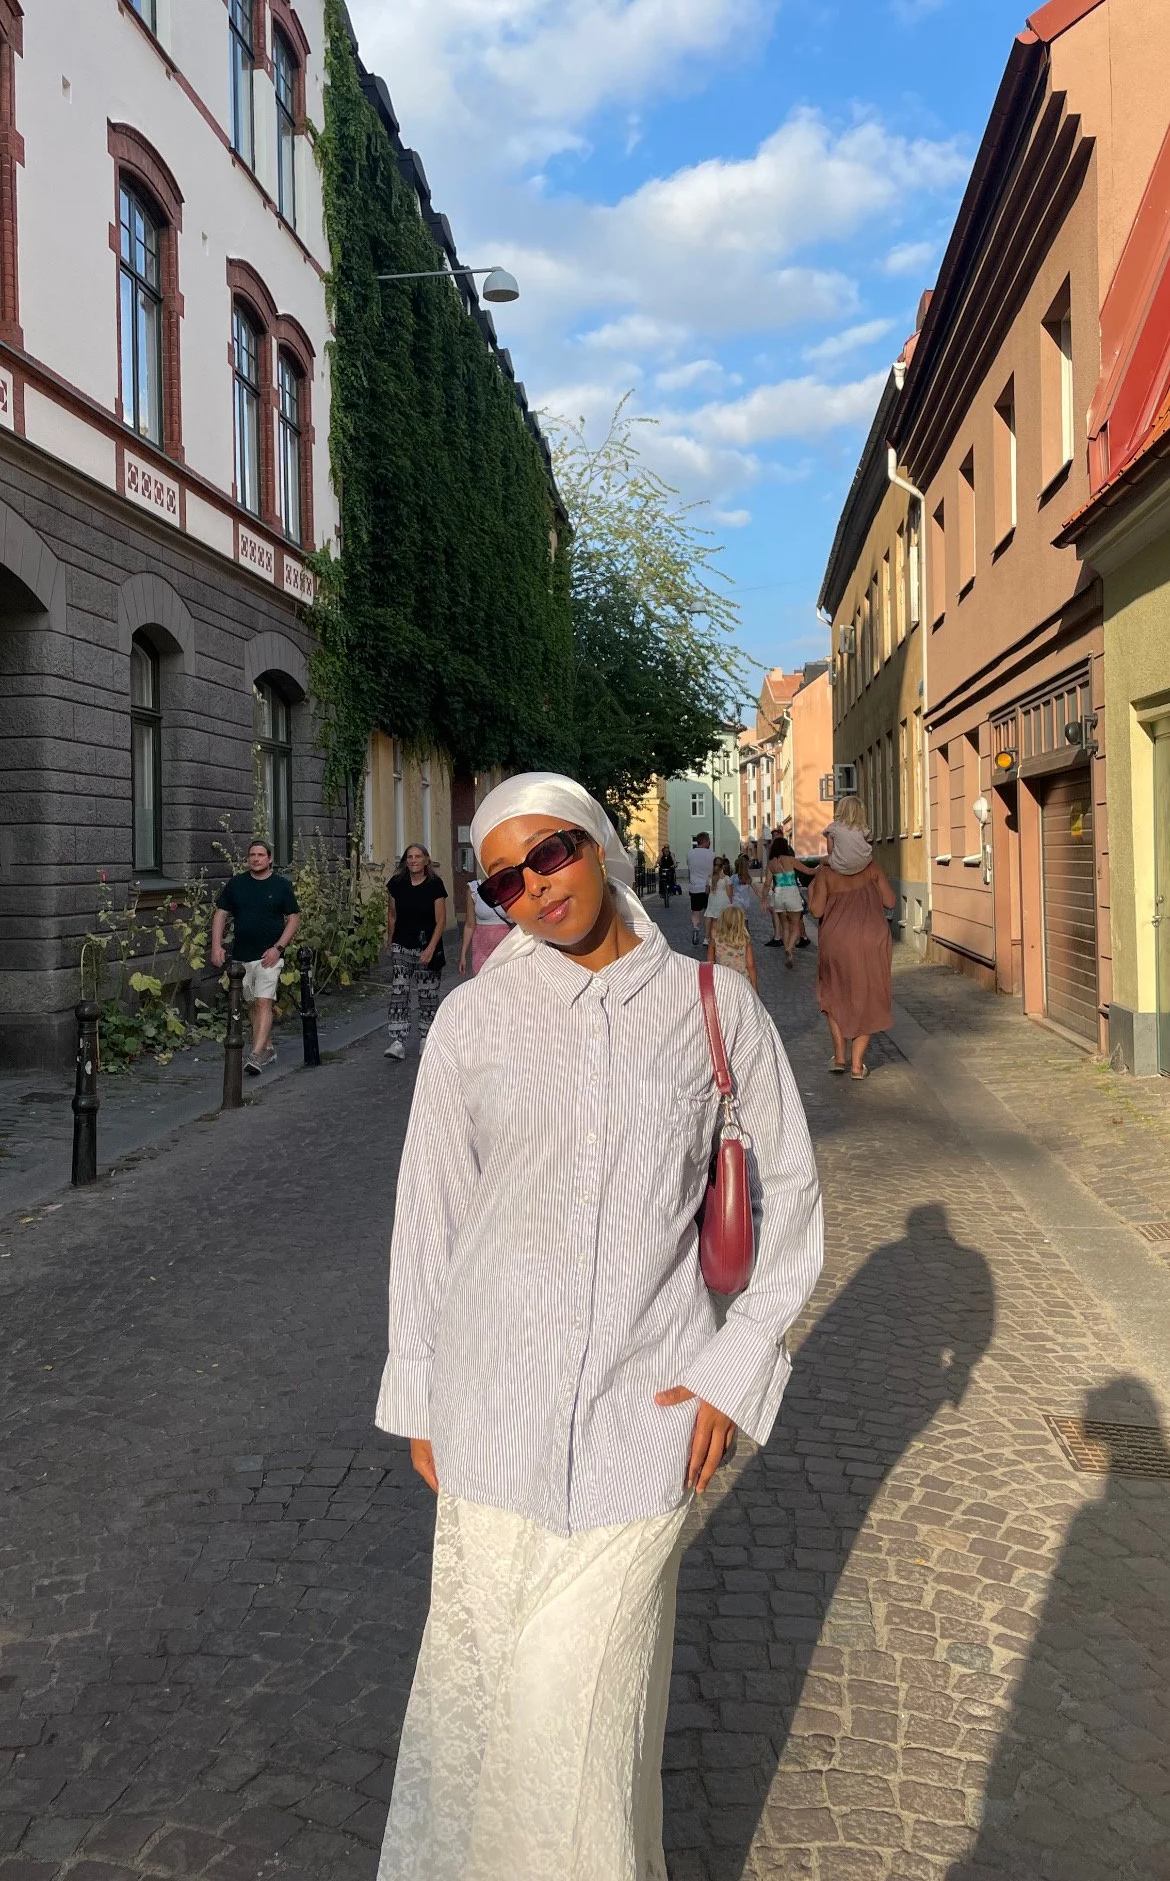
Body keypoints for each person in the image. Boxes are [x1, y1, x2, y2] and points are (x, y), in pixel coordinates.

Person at [374, 771, 823, 1881]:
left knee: (575, 1709)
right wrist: (421, 1390)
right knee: (476, 1701)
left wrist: (732, 1367)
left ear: (599, 845)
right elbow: (429, 1215)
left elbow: (791, 1196)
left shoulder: (713, 1008)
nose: (536, 887)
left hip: (641, 1417)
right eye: (504, 880)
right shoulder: (475, 1021)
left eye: (552, 853)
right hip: (492, 1410)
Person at [806, 795, 896, 1079]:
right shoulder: (871, 868)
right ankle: (857, 1065)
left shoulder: (827, 873)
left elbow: (816, 910)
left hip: (836, 942)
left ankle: (840, 1057)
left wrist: (815, 886)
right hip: (872, 940)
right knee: (868, 997)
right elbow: (890, 902)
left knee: (834, 996)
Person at [210, 839, 300, 1076]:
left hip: (269, 956)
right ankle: (267, 1047)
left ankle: (255, 1055)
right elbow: (220, 914)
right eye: (252, 855)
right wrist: (216, 945)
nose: (256, 859)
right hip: (242, 956)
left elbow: (293, 918)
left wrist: (278, 948)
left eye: (261, 855)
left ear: (269, 859)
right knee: (251, 1004)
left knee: (263, 1001)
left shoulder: (281, 886)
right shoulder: (237, 884)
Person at [385, 845, 448, 1061]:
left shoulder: (434, 885)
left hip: (426, 946)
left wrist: (431, 948)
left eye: (418, 856)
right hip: (402, 944)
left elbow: (441, 920)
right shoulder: (397, 884)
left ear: (426, 860)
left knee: (427, 994)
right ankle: (398, 1040)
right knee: (399, 991)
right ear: (406, 861)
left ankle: (426, 1036)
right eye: (410, 857)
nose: (414, 860)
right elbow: (392, 914)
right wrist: (391, 941)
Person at [459, 877, 513, 977]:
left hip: (507, 948)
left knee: (506, 981)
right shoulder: (474, 889)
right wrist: (463, 955)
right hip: (482, 950)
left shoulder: (513, 885)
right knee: (482, 982)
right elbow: (470, 925)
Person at [765, 834, 805, 966]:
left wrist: (763, 899)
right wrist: (822, 868)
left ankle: (787, 951)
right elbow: (808, 871)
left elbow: (767, 884)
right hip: (792, 893)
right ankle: (789, 949)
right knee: (796, 927)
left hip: (779, 895)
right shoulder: (791, 860)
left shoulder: (771, 863)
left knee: (785, 927)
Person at [713, 902, 758, 993]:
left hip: (722, 982)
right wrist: (754, 987)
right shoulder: (745, 942)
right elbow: (751, 966)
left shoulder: (715, 941)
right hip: (742, 982)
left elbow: (710, 964)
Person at [686, 830, 714, 945]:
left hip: (695, 887)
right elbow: (713, 871)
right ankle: (707, 938)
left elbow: (689, 867)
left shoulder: (690, 853)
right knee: (709, 913)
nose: (710, 842)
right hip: (708, 887)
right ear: (705, 841)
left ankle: (696, 928)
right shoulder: (712, 854)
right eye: (709, 840)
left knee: (695, 912)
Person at [704, 856, 735, 959]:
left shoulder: (709, 878)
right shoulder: (726, 878)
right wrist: (731, 902)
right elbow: (729, 893)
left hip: (713, 899)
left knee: (711, 919)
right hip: (723, 899)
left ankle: (708, 938)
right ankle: (725, 938)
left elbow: (706, 891)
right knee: (724, 920)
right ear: (723, 866)